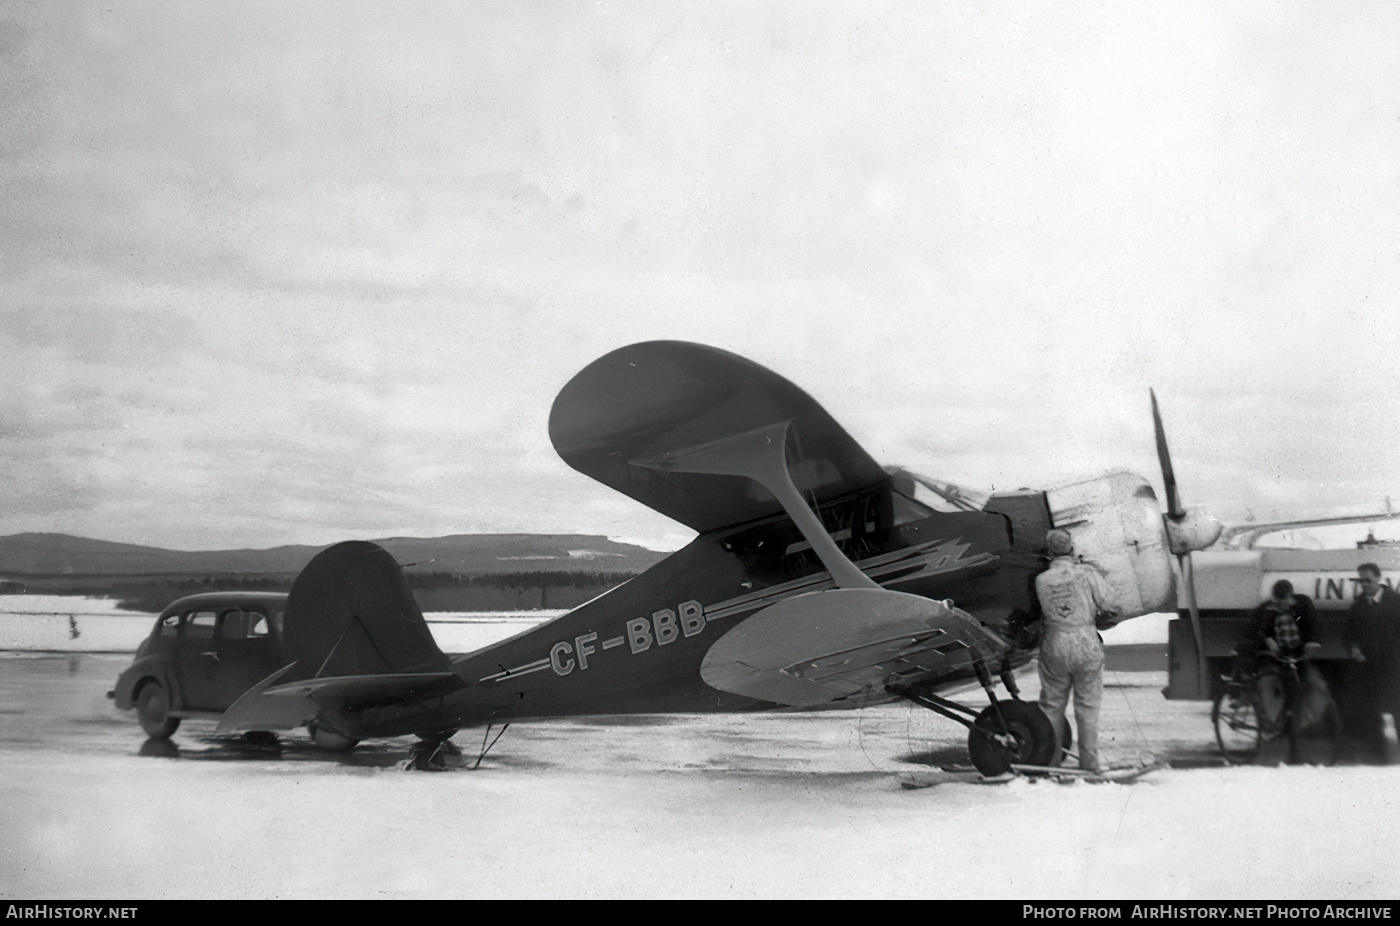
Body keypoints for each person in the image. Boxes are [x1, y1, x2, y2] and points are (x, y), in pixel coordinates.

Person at [1034, 529, 1118, 773]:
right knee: (1087, 707)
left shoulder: (1041, 580)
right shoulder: (1086, 573)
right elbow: (1111, 603)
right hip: (1085, 641)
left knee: (1052, 706)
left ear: (1049, 553)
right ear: (1072, 549)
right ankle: (1090, 765)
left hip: (1055, 643)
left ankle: (1051, 765)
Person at [1347, 563, 1400, 762]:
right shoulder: (1358, 605)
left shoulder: (1395, 602)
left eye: (1368, 580)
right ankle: (1378, 754)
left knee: (1398, 708)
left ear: (1379, 578)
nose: (1364, 585)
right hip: (1368, 667)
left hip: (1393, 666)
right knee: (1371, 709)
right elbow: (1349, 633)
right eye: (1361, 581)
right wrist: (1353, 647)